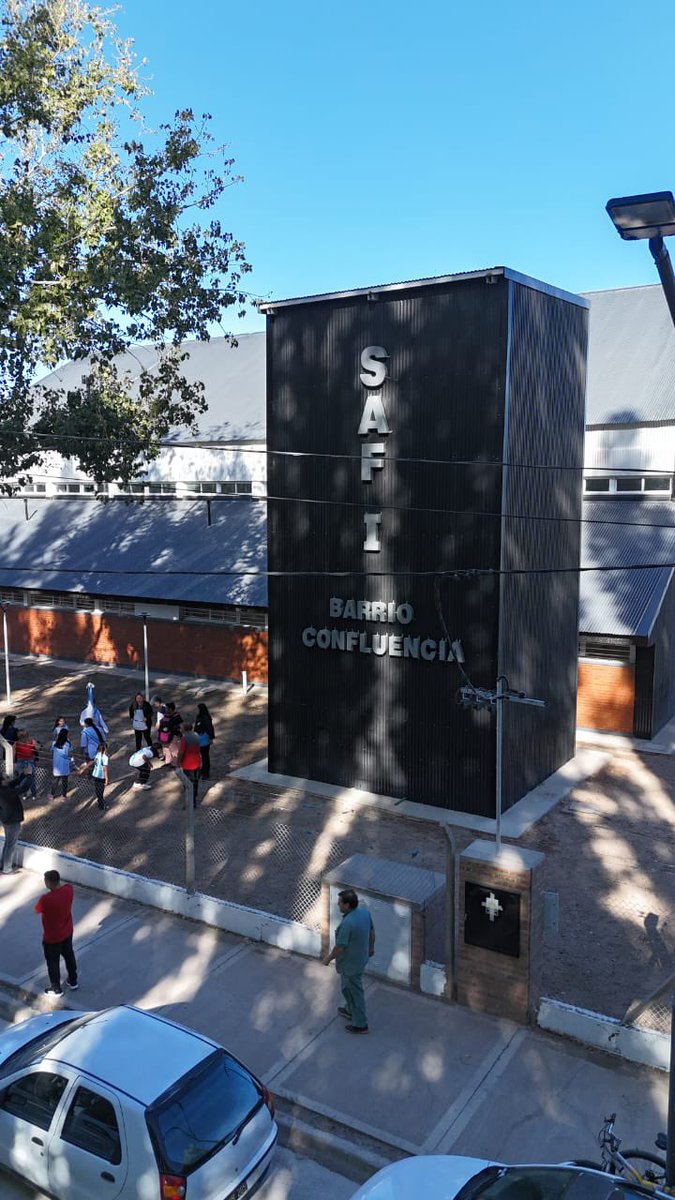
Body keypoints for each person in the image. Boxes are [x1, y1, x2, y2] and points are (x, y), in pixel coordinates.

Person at [323, 887, 375, 1034]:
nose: (338, 904)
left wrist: (328, 958)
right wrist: (371, 949)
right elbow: (372, 932)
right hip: (359, 959)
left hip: (351, 964)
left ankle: (361, 1024)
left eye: (340, 902)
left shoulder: (347, 924)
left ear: (347, 905)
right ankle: (349, 1010)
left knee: (355, 992)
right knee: (346, 988)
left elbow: (340, 948)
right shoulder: (364, 913)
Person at [35, 869, 78, 996]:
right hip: (67, 931)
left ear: (48, 882)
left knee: (53, 962)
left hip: (52, 937)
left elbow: (37, 909)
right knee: (69, 956)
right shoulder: (69, 890)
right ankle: (73, 980)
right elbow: (67, 886)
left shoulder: (46, 899)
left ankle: (56, 988)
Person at [0, 772, 24, 873]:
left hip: (6, 820)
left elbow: (14, 782)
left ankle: (4, 864)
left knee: (8, 843)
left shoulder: (4, 788)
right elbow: (23, 789)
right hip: (12, 821)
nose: (9, 777)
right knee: (10, 845)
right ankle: (7, 868)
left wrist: (23, 775)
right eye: (6, 777)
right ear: (2, 781)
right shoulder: (6, 792)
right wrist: (30, 776)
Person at [175, 724, 201, 808]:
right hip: (197, 762)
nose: (180, 729)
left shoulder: (184, 739)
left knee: (188, 784)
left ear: (185, 729)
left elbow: (181, 752)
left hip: (188, 764)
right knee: (195, 781)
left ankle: (191, 803)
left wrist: (178, 762)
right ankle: (195, 796)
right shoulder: (196, 735)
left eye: (181, 728)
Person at [78, 742, 109, 811]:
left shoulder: (97, 755)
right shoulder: (105, 758)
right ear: (105, 749)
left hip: (95, 775)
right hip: (101, 776)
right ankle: (101, 805)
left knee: (98, 789)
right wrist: (106, 778)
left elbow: (91, 762)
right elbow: (105, 769)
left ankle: (100, 800)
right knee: (101, 791)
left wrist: (83, 769)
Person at [49, 727, 73, 799]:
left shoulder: (54, 743)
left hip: (57, 765)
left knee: (55, 781)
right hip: (65, 765)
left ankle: (52, 795)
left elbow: (51, 750)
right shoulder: (68, 744)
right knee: (64, 781)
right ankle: (64, 796)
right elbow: (70, 752)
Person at [14, 729, 39, 798]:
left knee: (22, 779)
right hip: (30, 760)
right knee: (31, 778)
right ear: (27, 735)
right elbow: (37, 748)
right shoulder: (32, 741)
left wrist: (14, 763)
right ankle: (34, 794)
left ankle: (25, 794)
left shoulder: (16, 743)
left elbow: (13, 754)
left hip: (20, 761)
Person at [194, 702, 215, 780]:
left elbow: (210, 728)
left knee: (205, 756)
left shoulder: (205, 717)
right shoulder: (199, 716)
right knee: (202, 756)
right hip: (199, 739)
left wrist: (211, 738)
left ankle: (206, 772)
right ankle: (202, 770)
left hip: (205, 739)